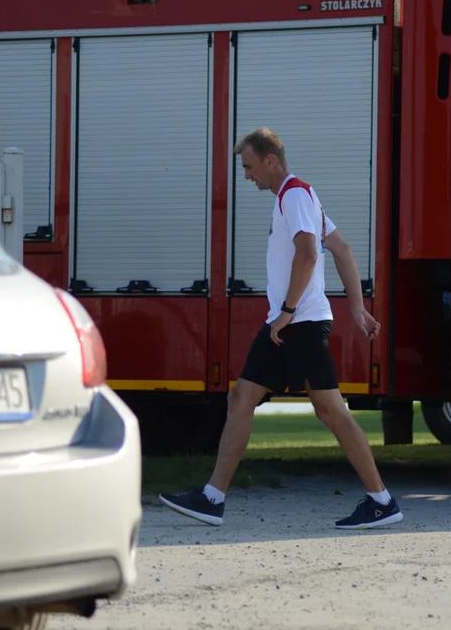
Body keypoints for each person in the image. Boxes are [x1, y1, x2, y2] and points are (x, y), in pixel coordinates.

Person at [159, 127, 403, 530]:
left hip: (300, 324)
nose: (247, 175)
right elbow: (340, 249)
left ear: (270, 160)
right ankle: (212, 498)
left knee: (331, 412)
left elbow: (309, 255)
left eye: (249, 167)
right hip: (293, 322)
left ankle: (381, 500)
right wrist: (357, 309)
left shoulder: (294, 195)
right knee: (241, 398)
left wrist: (287, 311)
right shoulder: (300, 197)